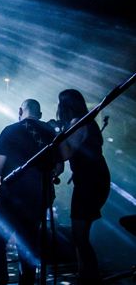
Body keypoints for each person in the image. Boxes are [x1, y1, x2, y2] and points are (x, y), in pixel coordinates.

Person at [0, 99, 56, 285]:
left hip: (11, 196)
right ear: (40, 115)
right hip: (39, 196)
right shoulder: (50, 132)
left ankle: (0, 278)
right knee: (27, 243)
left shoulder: (11, 131)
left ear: (20, 111)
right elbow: (59, 168)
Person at [57, 89, 110, 284]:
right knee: (80, 233)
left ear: (66, 105)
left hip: (90, 182)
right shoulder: (86, 122)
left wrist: (58, 135)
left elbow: (65, 154)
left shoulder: (78, 123)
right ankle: (84, 274)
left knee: (79, 234)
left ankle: (91, 277)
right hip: (91, 179)